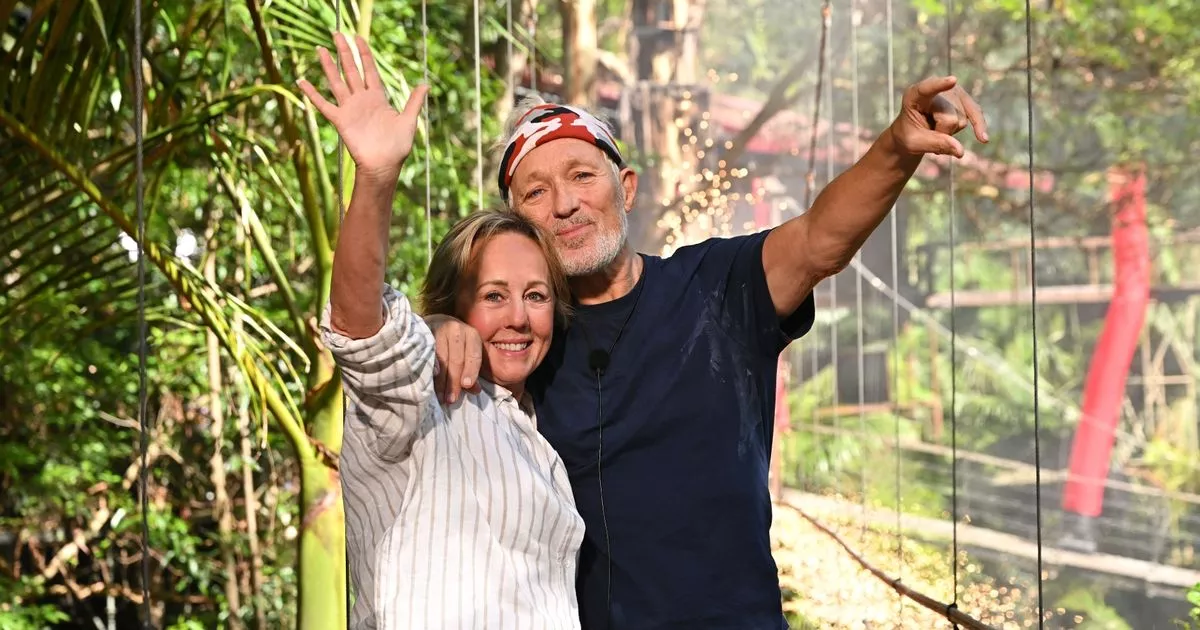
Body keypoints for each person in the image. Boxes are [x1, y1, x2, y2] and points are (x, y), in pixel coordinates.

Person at [356, 41, 989, 630]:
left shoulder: (717, 286)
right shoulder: (522, 342)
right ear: (517, 222)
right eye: (536, 192)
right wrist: (440, 326)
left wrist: (898, 147)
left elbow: (821, 239)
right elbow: (387, 353)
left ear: (626, 188)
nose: (565, 204)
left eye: (582, 176)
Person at [301, 34, 585, 629]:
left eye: (536, 296)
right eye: (493, 296)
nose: (518, 316)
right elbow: (362, 332)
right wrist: (376, 177)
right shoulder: (422, 399)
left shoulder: (535, 430)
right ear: (455, 304)